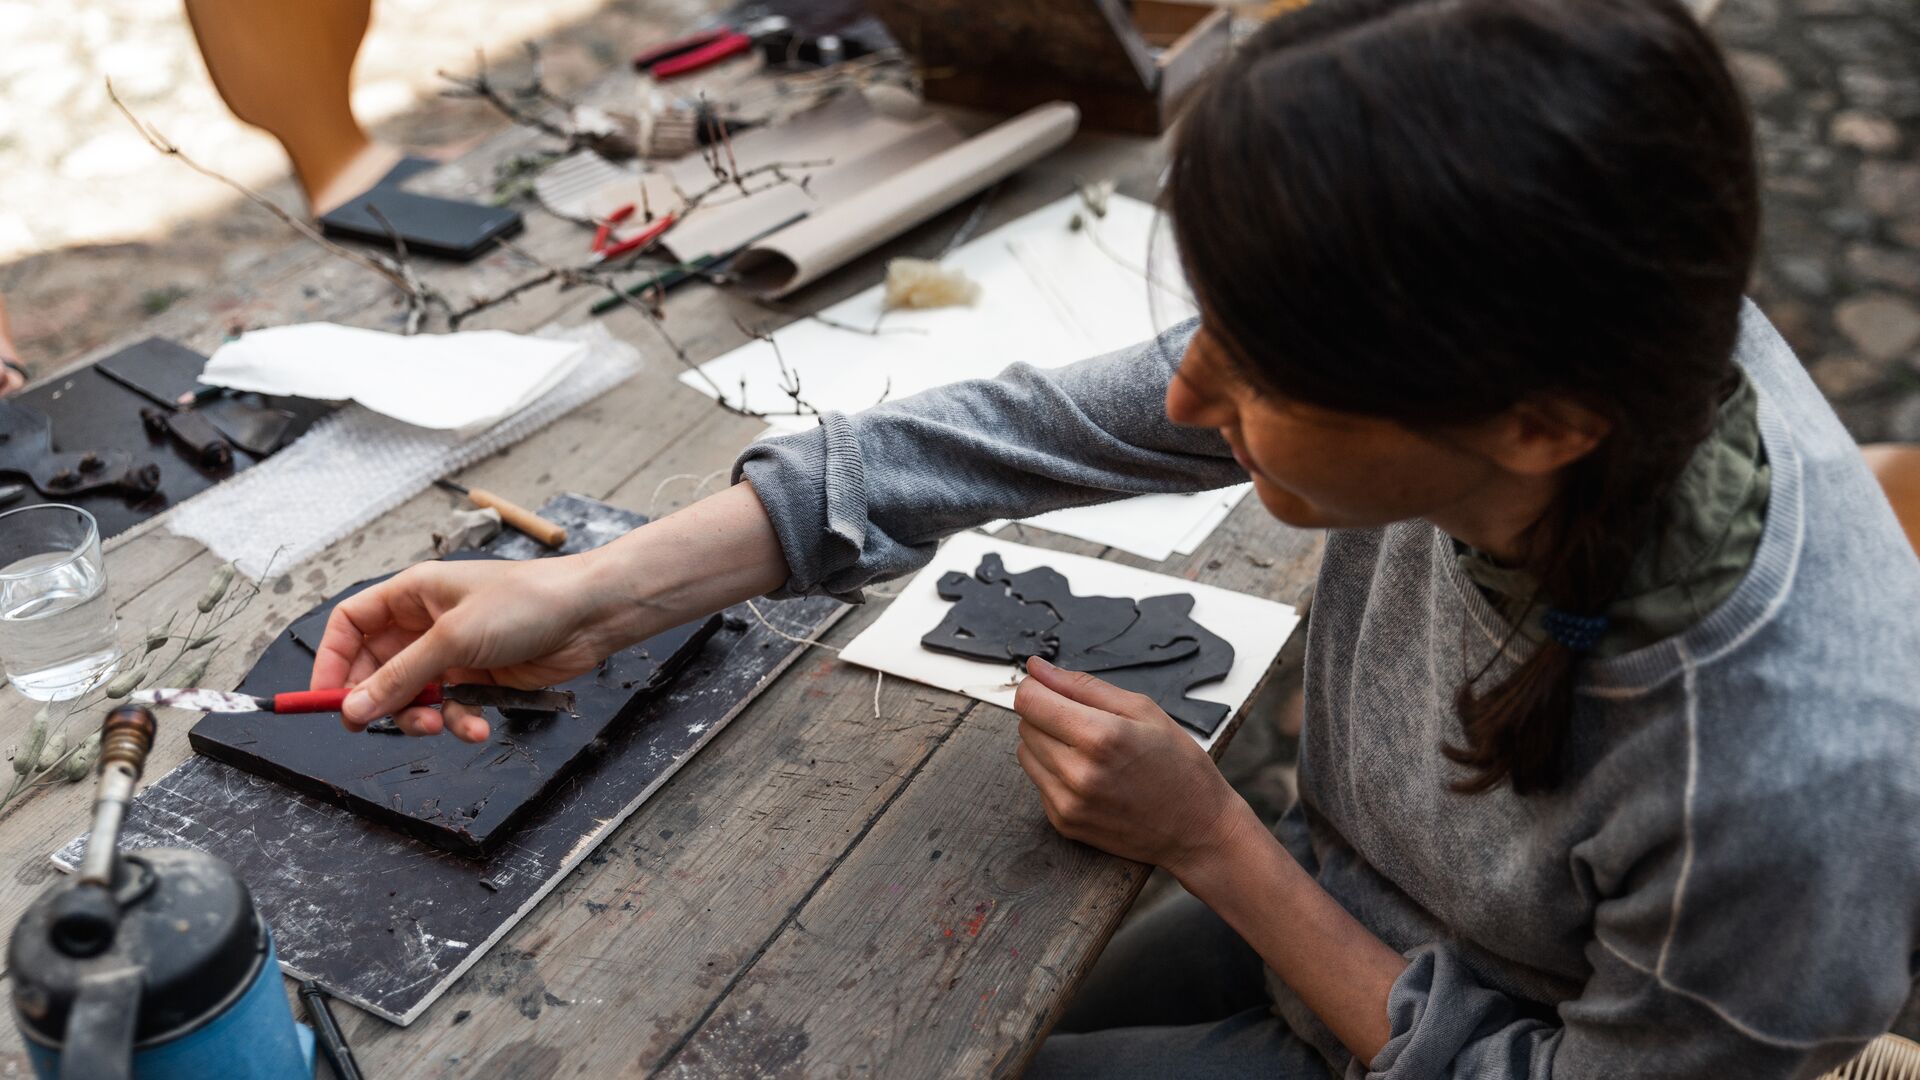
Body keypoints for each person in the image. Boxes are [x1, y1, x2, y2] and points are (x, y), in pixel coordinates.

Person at [310, 0, 1920, 1074]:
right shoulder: (1602, 311)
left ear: (1537, 426)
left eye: (1258, 368)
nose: (1186, 393)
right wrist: (597, 594)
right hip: (1354, 902)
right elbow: (1041, 426)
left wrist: (1210, 842)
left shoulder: (1777, 784)